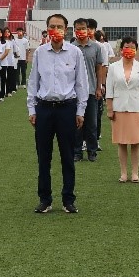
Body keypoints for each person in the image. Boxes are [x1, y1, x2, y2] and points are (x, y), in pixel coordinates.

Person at [26, 13, 89, 214]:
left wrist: (80, 111)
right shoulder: (40, 52)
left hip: (67, 109)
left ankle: (68, 199)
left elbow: (81, 83)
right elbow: (33, 82)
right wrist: (32, 109)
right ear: (47, 29)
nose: (56, 30)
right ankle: (45, 199)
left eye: (59, 26)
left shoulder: (75, 53)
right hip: (44, 108)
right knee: (43, 157)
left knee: (68, 156)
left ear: (66, 30)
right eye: (52, 26)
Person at [105, 38, 139, 183]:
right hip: (119, 108)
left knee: (136, 142)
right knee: (122, 142)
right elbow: (109, 89)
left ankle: (135, 173)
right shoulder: (113, 67)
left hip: (137, 109)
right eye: (126, 47)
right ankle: (123, 173)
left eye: (132, 47)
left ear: (136, 50)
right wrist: (110, 109)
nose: (129, 50)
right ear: (121, 49)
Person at [72, 18, 107, 162]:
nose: (81, 31)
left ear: (88, 30)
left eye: (83, 28)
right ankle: (77, 152)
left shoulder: (96, 47)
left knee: (92, 123)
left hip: (91, 90)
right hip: (74, 92)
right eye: (78, 29)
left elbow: (99, 68)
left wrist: (99, 87)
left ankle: (92, 151)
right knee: (76, 123)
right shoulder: (70, 47)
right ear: (74, 30)